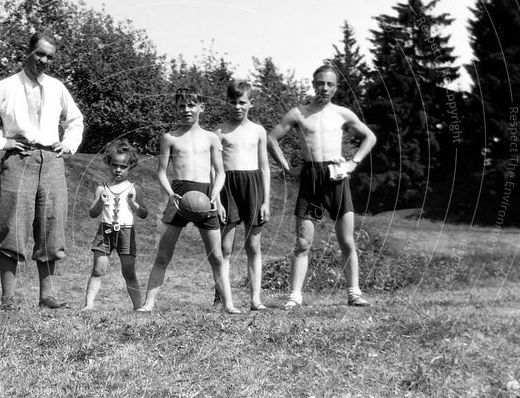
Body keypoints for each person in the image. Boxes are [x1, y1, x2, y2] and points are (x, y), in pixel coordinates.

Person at [0, 30, 84, 311]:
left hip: (52, 161)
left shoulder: (57, 87)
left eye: (50, 57)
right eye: (40, 54)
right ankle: (8, 299)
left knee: (51, 227)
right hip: (20, 159)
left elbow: (75, 120)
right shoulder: (7, 86)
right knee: (13, 226)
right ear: (28, 53)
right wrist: (2, 141)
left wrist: (67, 145)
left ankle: (47, 296)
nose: (44, 60)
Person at [267, 63, 376, 308]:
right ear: (313, 84)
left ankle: (354, 293)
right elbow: (271, 139)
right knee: (303, 242)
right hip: (310, 177)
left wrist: (353, 162)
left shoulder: (342, 113)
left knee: (346, 241)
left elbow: (370, 136)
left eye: (329, 84)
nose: (324, 88)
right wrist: (287, 168)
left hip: (337, 176)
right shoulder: (299, 113)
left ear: (335, 88)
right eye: (320, 83)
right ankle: (295, 296)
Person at [137, 87, 240, 314]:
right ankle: (148, 304)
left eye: (191, 105)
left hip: (205, 195)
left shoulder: (212, 138)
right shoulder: (169, 138)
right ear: (176, 109)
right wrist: (170, 193)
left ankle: (229, 304)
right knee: (163, 255)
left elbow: (220, 172)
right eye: (181, 105)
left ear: (201, 107)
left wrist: (216, 193)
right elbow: (162, 172)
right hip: (179, 195)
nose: (186, 110)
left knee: (216, 256)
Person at [215, 79, 271, 310]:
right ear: (226, 103)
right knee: (225, 247)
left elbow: (265, 167)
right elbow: (214, 169)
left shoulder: (258, 131)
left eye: (242, 102)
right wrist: (216, 199)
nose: (237, 107)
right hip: (228, 185)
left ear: (251, 103)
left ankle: (255, 299)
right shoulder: (219, 132)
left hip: (253, 185)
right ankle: (223, 297)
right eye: (233, 102)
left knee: (253, 247)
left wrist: (266, 201)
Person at [83, 140, 148, 310]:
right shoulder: (101, 188)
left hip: (126, 232)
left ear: (130, 167)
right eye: (115, 165)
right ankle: (89, 305)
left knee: (128, 272)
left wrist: (134, 204)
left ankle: (138, 306)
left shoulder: (134, 189)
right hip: (105, 232)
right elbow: (92, 213)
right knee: (98, 269)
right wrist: (100, 203)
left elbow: (143, 213)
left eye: (123, 166)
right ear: (108, 164)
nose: (118, 170)